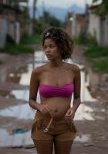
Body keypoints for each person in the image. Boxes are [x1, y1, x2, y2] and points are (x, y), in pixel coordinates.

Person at [29, 26, 81, 154]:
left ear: (61, 47)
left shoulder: (74, 70)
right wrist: (39, 107)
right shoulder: (38, 72)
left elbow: (78, 98)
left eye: (51, 46)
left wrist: (73, 110)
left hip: (65, 125)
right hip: (43, 124)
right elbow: (31, 100)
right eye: (45, 47)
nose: (47, 50)